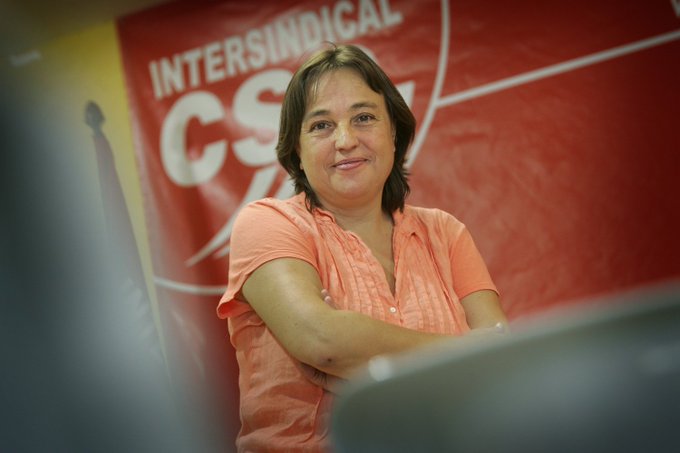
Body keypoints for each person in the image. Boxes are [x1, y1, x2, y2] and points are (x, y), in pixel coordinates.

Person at [217, 43, 508, 452]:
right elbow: (323, 342)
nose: (346, 140)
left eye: (364, 118)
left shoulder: (446, 233)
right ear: (297, 149)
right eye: (321, 125)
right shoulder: (267, 223)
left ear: (394, 133)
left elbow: (501, 370)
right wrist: (464, 353)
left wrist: (365, 358)